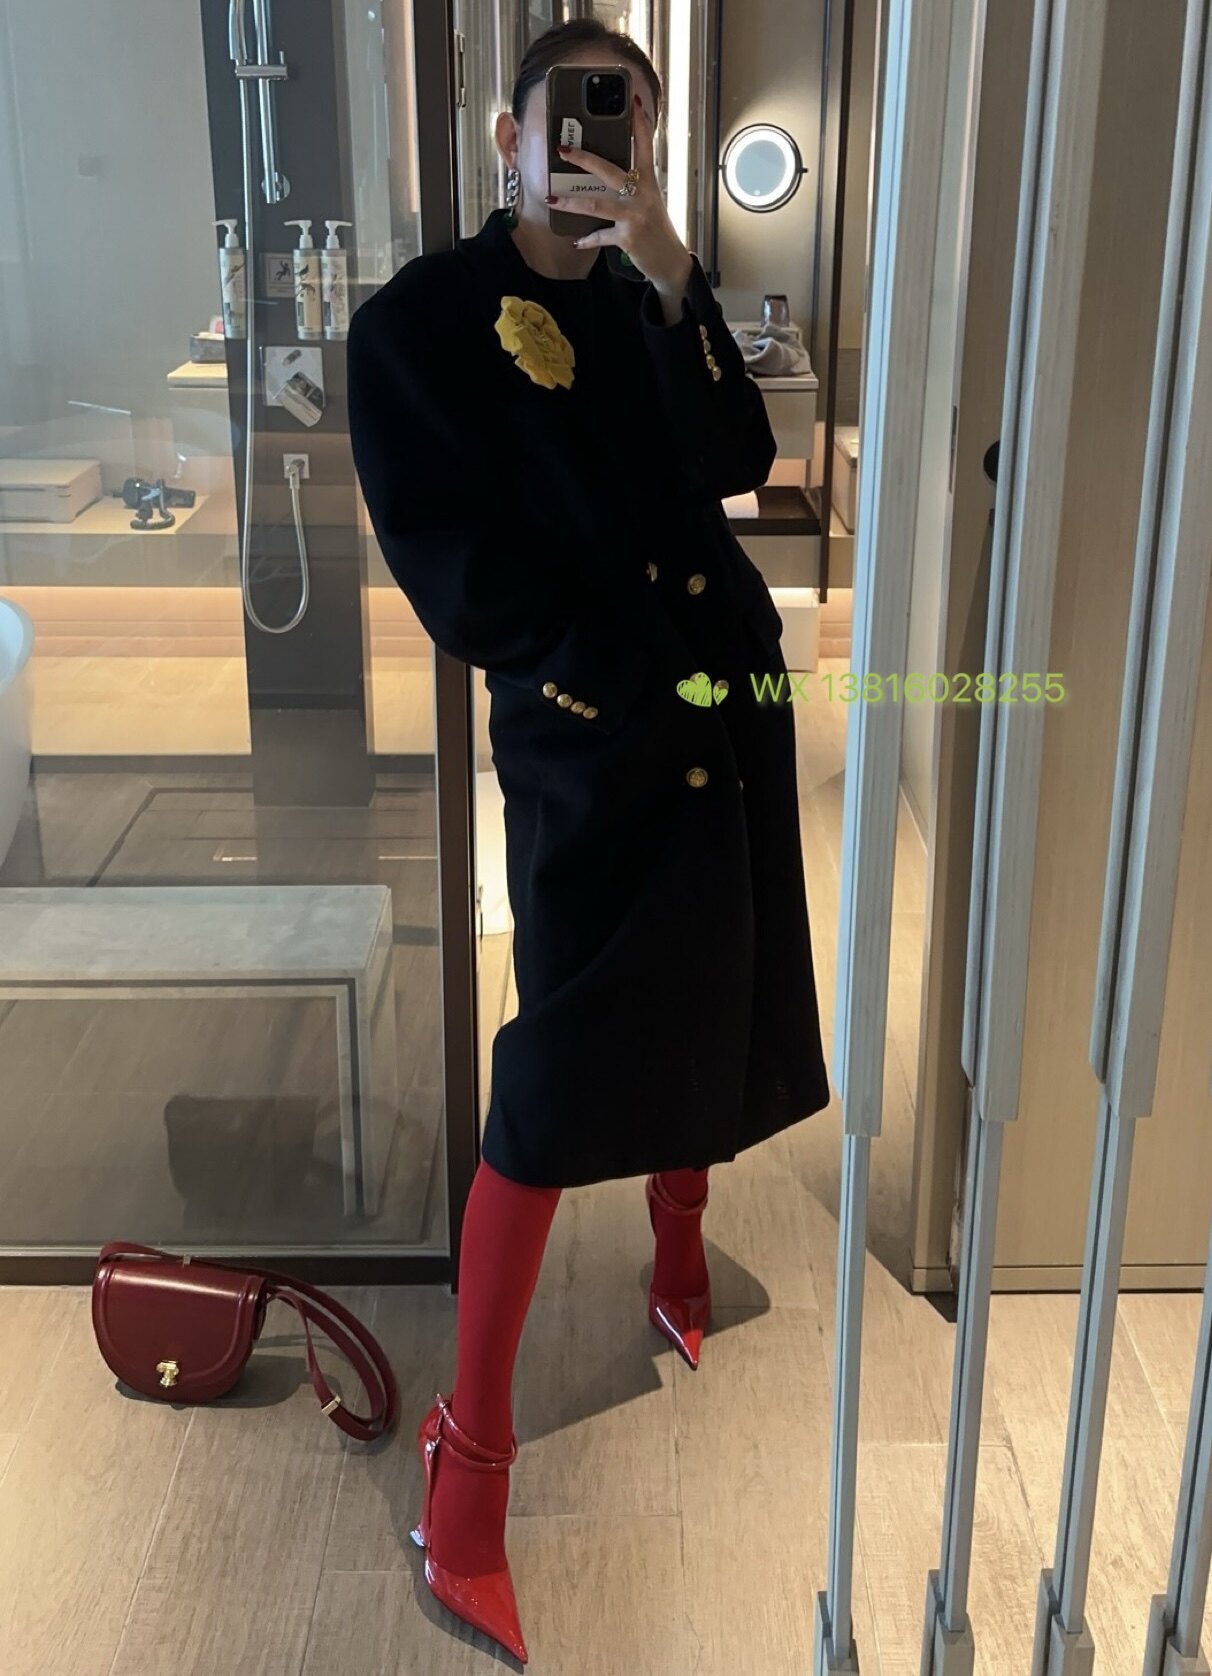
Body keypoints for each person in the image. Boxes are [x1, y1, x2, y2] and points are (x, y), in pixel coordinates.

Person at [346, 18, 831, 1663]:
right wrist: (603, 689)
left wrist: (677, 271)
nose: (602, 142)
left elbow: (741, 462)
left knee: (722, 976)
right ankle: (465, 1471)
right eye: (578, 114)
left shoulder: (646, 300)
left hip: (724, 706)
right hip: (590, 737)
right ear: (510, 133)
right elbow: (456, 571)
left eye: (633, 122)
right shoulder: (418, 323)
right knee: (554, 1075)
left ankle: (677, 1256)